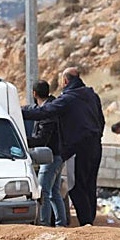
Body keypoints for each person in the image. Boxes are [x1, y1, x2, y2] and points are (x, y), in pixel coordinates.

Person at [22, 66, 104, 226]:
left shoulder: (69, 98)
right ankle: (90, 222)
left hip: (77, 149)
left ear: (65, 80)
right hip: (95, 146)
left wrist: (19, 112)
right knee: (89, 185)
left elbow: (44, 112)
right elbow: (101, 121)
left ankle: (86, 223)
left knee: (76, 187)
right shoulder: (92, 95)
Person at [28, 80, 66, 226]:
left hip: (49, 157)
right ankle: (60, 224)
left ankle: (44, 224)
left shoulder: (47, 112)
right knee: (54, 192)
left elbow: (42, 139)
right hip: (57, 155)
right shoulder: (52, 107)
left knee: (43, 193)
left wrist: (24, 142)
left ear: (34, 93)